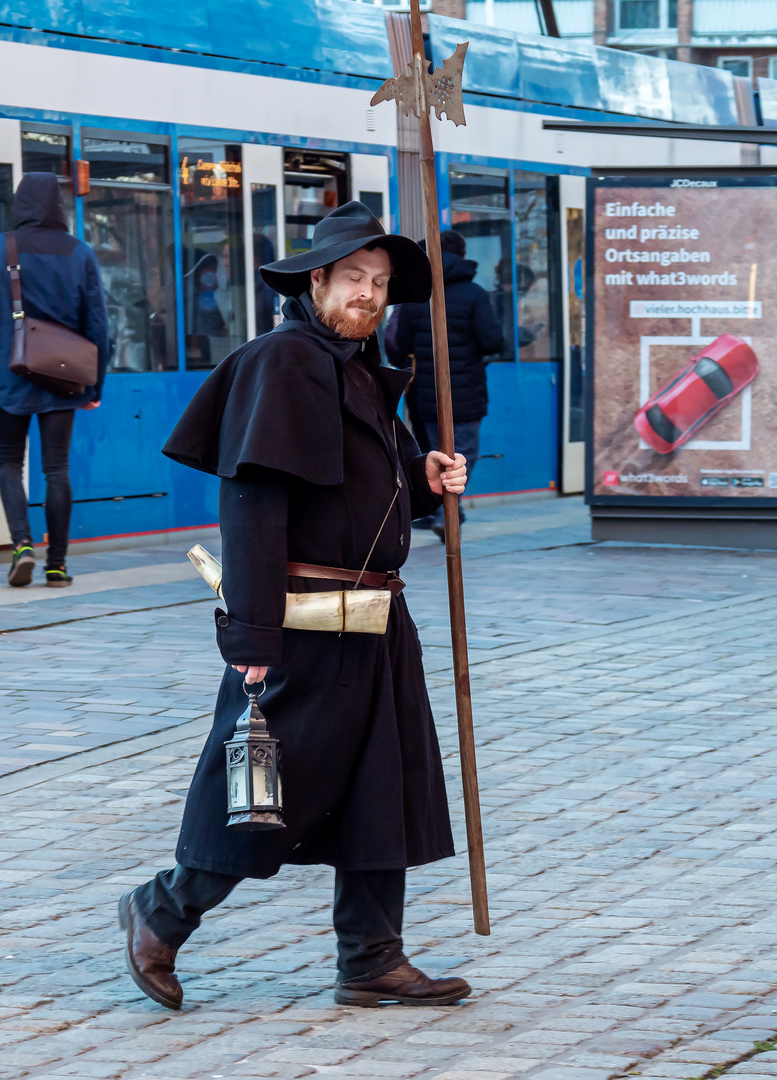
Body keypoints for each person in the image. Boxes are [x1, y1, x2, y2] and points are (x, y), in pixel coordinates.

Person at [118, 202, 471, 1011]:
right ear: (317, 279)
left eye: (381, 284)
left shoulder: (359, 364)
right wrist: (251, 633)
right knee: (269, 789)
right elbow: (252, 505)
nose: (370, 295)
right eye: (355, 279)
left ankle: (373, 959)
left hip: (376, 620)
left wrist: (426, 478)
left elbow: (376, 490)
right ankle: (161, 914)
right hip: (302, 620)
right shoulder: (282, 363)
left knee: (382, 785)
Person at [0, 173, 110, 589]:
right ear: (57, 205)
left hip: (12, 375)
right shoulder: (79, 251)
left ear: (20, 204)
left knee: (9, 463)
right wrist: (94, 386)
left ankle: (22, 544)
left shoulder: (2, 247)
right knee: (56, 469)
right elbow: (98, 323)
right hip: (64, 380)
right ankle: (58, 565)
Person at [395, 229, 504, 541]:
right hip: (466, 391)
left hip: (425, 395)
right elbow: (492, 340)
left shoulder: (417, 297)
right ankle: (447, 510)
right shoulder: (474, 294)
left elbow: (399, 343)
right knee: (464, 453)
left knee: (433, 453)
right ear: (462, 255)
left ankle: (439, 507)